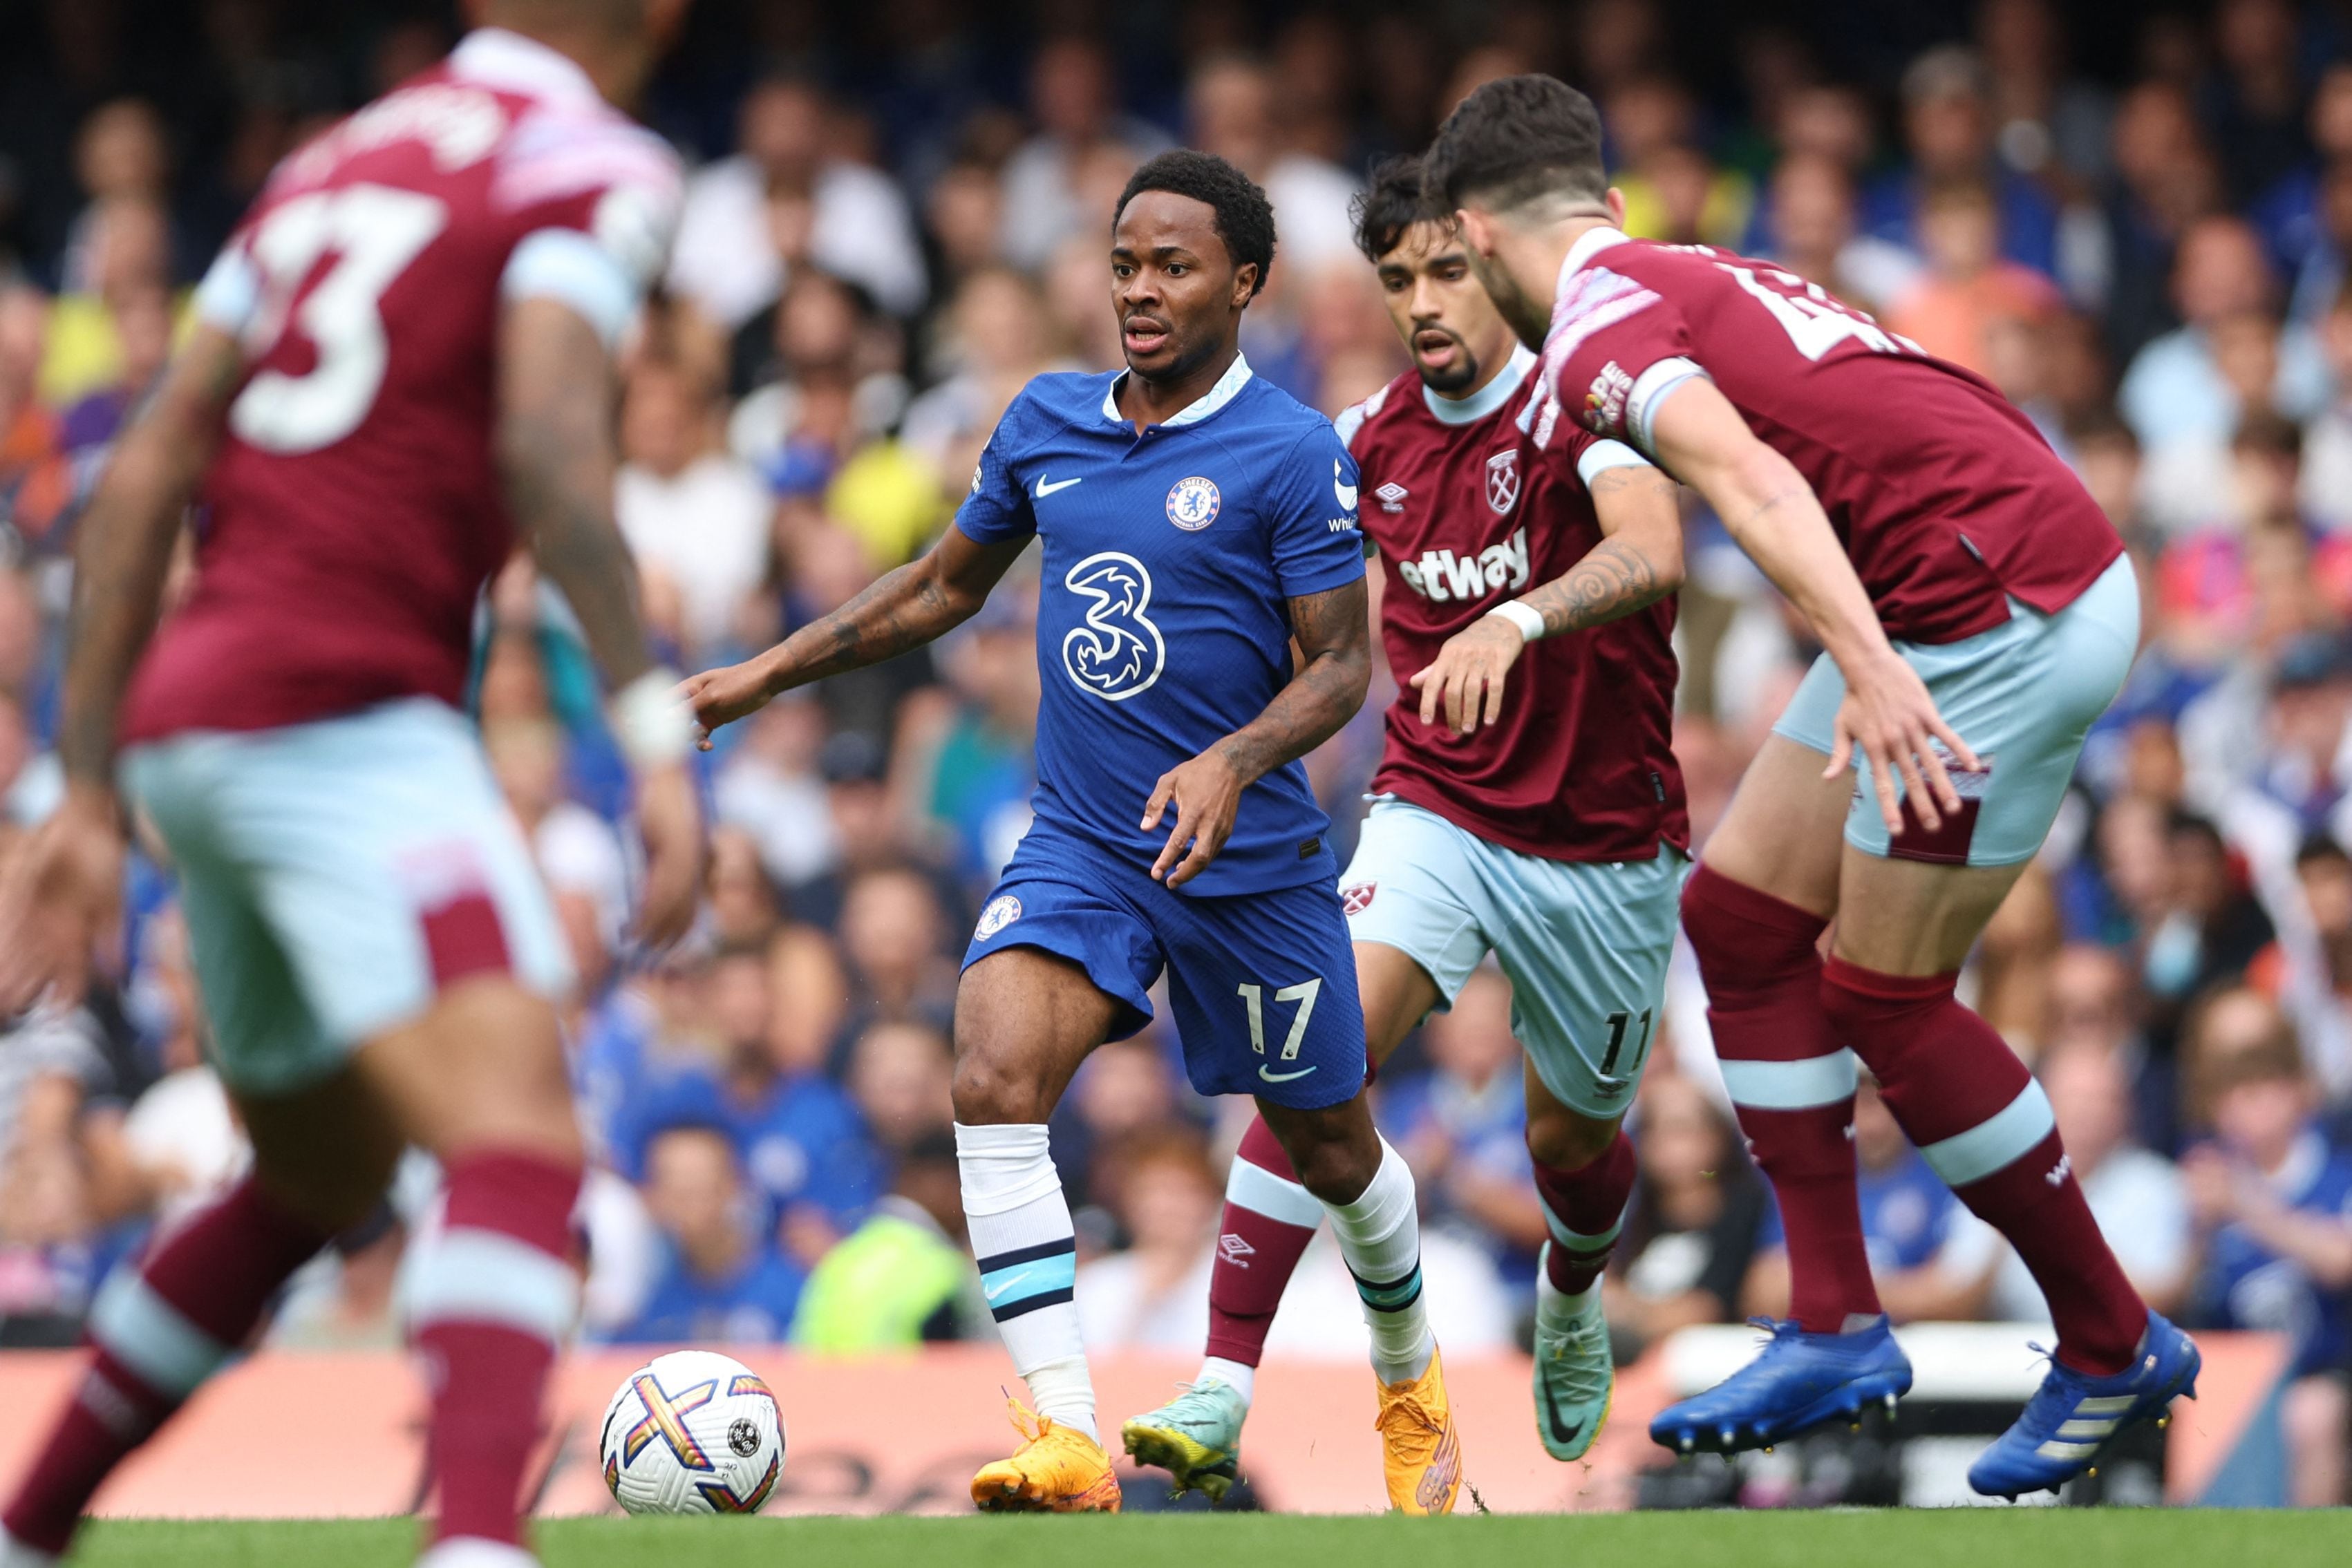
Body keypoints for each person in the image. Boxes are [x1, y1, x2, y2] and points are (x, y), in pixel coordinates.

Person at [0, 6, 706, 1567]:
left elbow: (141, 476)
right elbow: (542, 430)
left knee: (315, 1171)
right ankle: (475, 1546)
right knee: (520, 1140)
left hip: (191, 724)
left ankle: (26, 1531)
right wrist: (653, 734)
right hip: (345, 718)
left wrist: (92, 780)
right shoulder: (589, 158)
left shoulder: (327, 165)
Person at [1427, 74, 2196, 1500]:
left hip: (1986, 601)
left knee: (1883, 995)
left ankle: (2108, 1338)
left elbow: (1758, 488)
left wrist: (1877, 663)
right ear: (1602, 204)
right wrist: (1878, 642)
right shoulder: (1672, 267)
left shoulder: (1595, 328)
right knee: (1736, 921)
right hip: (1959, 577)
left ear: (1473, 234)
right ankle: (1835, 1321)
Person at [685, 151, 1458, 1515]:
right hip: (1089, 843)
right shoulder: (1046, 421)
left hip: (1252, 867)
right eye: (1122, 265)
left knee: (1332, 1150)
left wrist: (1234, 755)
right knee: (988, 1075)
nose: (1141, 290)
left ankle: (1410, 1382)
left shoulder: (1287, 451)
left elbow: (1342, 664)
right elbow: (939, 583)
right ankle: (1064, 1432)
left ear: (1244, 281)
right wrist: (765, 673)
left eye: (1173, 265)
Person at [1122, 154, 1688, 1498]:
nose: (1423, 302)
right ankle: (1222, 1377)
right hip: (1435, 802)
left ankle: (1569, 1288)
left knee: (1572, 1141)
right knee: (1312, 1052)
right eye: (1396, 279)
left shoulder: (1579, 398)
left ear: (1494, 265)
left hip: (1604, 841)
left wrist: (1516, 613)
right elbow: (1299, 626)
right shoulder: (1366, 438)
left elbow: (1654, 546)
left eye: (1444, 271)